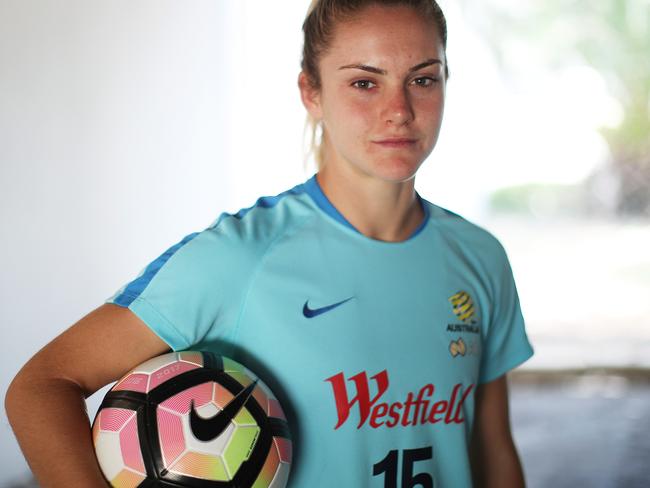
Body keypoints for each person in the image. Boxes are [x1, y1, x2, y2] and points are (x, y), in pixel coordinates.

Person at [5, 0, 533, 486]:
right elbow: (41, 387)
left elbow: (493, 449)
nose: (399, 109)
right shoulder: (237, 257)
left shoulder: (480, 258)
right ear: (311, 92)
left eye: (422, 79)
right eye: (365, 84)